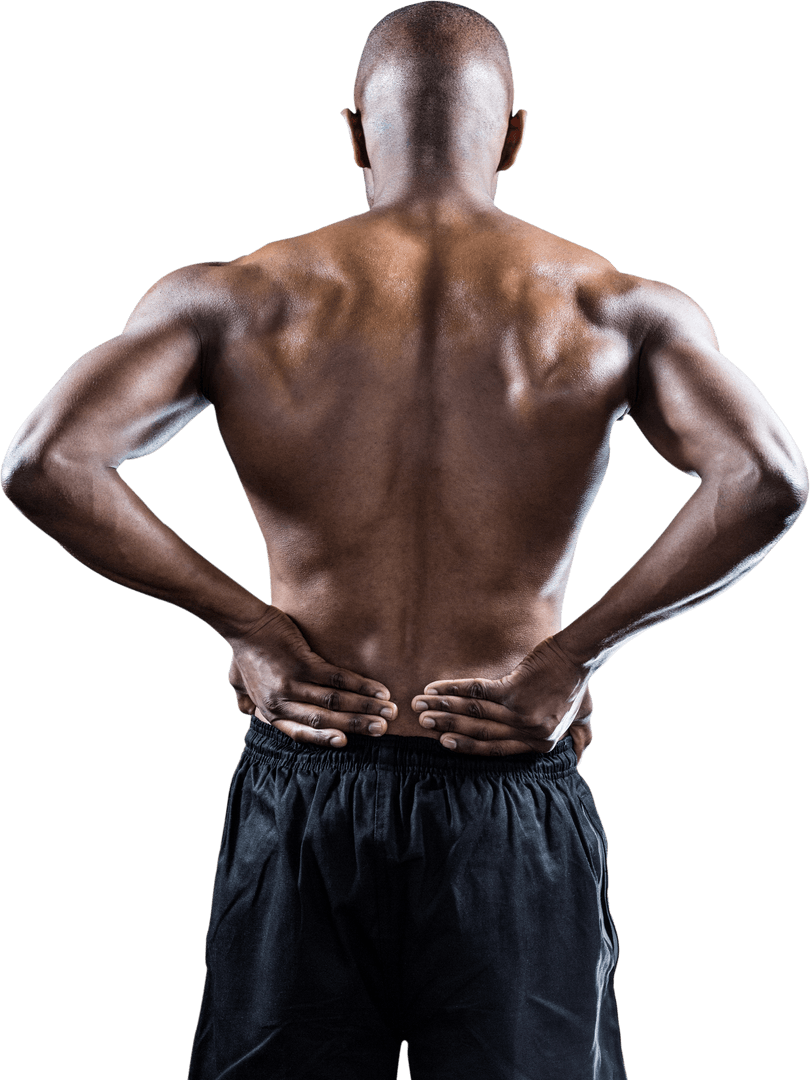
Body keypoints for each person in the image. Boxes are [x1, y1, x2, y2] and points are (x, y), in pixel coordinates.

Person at [2, 1, 806, 1077]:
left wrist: (250, 628)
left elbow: (44, 461)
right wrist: (571, 657)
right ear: (513, 136)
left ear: (354, 133)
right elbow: (767, 478)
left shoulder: (234, 301)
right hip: (505, 784)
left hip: (309, 778)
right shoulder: (615, 309)